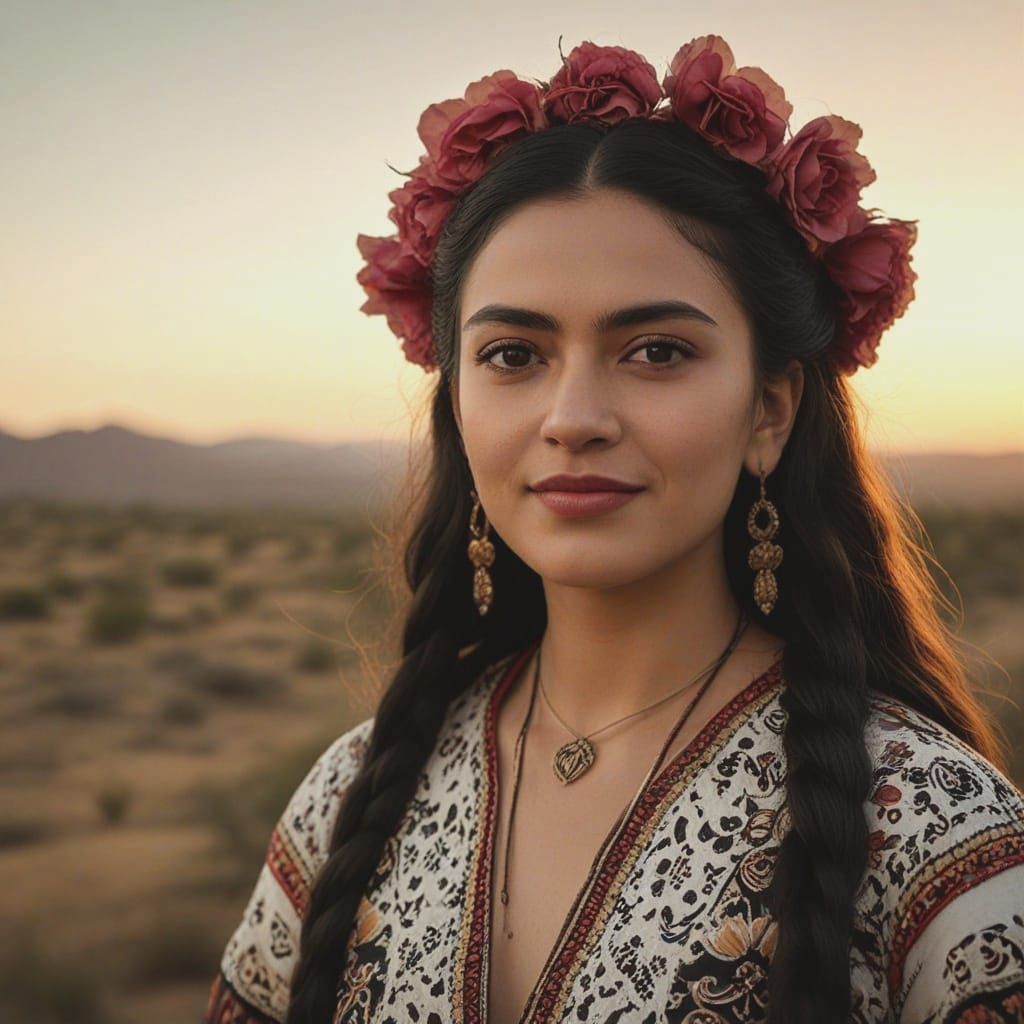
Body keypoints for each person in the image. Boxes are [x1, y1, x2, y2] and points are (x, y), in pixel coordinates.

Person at [202, 34, 1024, 1024]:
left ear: (769, 410)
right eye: (513, 353)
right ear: (457, 402)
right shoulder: (350, 796)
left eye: (655, 350)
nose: (573, 415)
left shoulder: (928, 821)